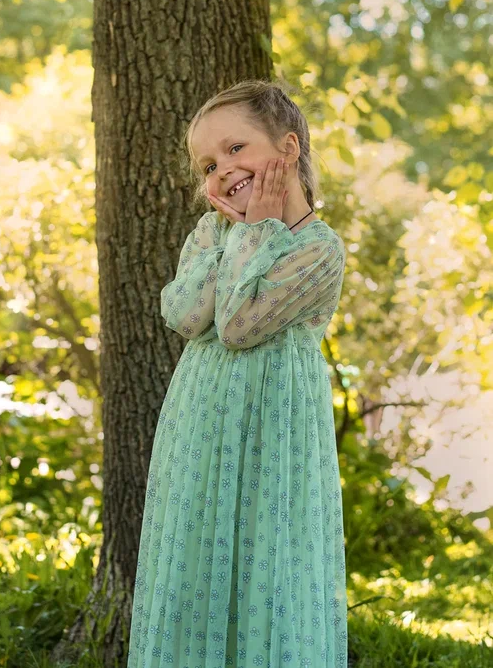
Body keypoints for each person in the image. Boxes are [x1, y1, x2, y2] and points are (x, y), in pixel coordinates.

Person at [127, 79, 348, 668]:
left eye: (235, 149)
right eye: (207, 162)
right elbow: (183, 313)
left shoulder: (319, 250)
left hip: (274, 427)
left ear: (289, 147)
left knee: (262, 560)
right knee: (196, 555)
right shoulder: (210, 231)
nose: (221, 171)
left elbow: (237, 326)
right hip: (202, 422)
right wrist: (236, 234)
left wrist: (255, 229)